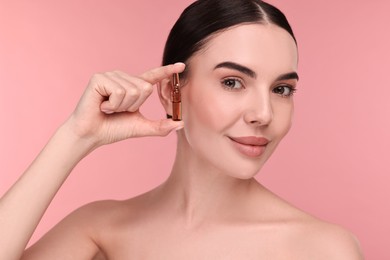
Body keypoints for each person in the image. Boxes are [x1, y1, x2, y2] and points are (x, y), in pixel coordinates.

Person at [0, 0, 364, 259]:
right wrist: (75, 136)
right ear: (172, 91)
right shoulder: (100, 230)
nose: (263, 114)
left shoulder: (322, 248)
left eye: (281, 89)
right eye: (233, 82)